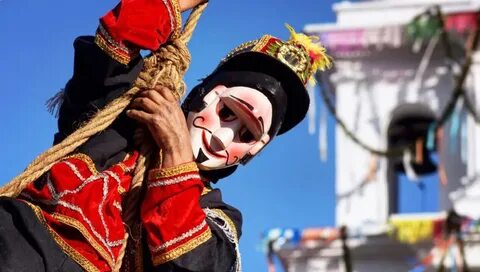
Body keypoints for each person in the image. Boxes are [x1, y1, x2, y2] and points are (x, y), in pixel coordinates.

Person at [0, 0, 331, 271]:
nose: (222, 136)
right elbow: (115, 43)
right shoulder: (118, 115)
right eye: (227, 112)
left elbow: (193, 265)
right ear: (201, 94)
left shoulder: (217, 221)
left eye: (246, 134)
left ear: (252, 153)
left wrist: (175, 152)